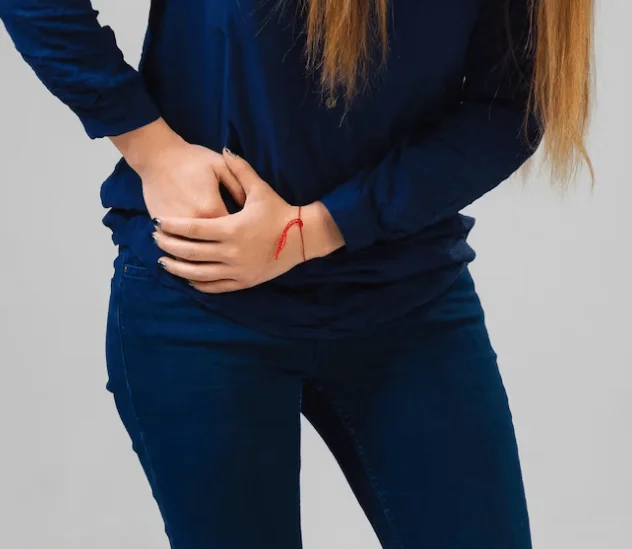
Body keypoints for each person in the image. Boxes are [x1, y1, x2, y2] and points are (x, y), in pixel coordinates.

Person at [0, 0, 594, 547]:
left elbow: (512, 103)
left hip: (408, 300)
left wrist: (318, 228)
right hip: (203, 300)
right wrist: (153, 150)